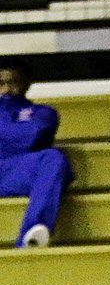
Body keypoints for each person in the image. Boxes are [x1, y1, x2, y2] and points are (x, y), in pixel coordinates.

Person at [0, 60, 73, 248]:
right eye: (0, 83)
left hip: (16, 171)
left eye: (13, 82)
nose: (7, 89)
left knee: (53, 158)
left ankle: (31, 237)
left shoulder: (42, 113)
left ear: (26, 83)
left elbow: (30, 137)